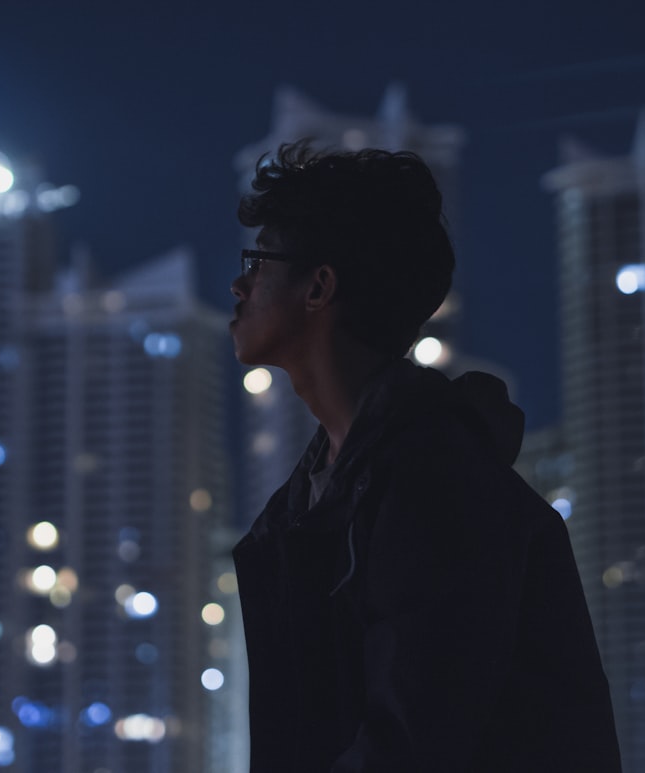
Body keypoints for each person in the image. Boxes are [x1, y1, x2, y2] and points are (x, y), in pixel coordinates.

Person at [229, 141, 621, 772]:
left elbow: (414, 743)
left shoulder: (439, 483)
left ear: (319, 286)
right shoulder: (308, 506)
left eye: (258, 260)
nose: (239, 284)